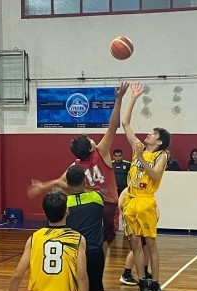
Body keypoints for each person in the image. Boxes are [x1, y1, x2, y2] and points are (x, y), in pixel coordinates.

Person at [27, 82, 129, 258]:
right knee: (104, 242)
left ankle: (80, 264)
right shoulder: (101, 152)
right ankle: (98, 270)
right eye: (90, 140)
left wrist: (42, 187)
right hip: (108, 206)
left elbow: (59, 181)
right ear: (90, 149)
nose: (92, 139)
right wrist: (118, 99)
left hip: (88, 205)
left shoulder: (75, 166)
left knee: (84, 239)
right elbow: (113, 126)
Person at [121, 82, 171, 291]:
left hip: (146, 201)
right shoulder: (138, 147)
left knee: (151, 245)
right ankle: (141, 282)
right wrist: (133, 97)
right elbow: (125, 123)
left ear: (158, 141)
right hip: (131, 201)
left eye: (152, 134)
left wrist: (140, 158)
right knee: (135, 244)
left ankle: (156, 284)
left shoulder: (162, 155)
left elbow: (155, 176)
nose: (148, 135)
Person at [65, 165, 105, 291]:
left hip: (72, 255)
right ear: (85, 180)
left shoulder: (65, 204)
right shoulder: (97, 198)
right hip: (94, 253)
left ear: (67, 183)